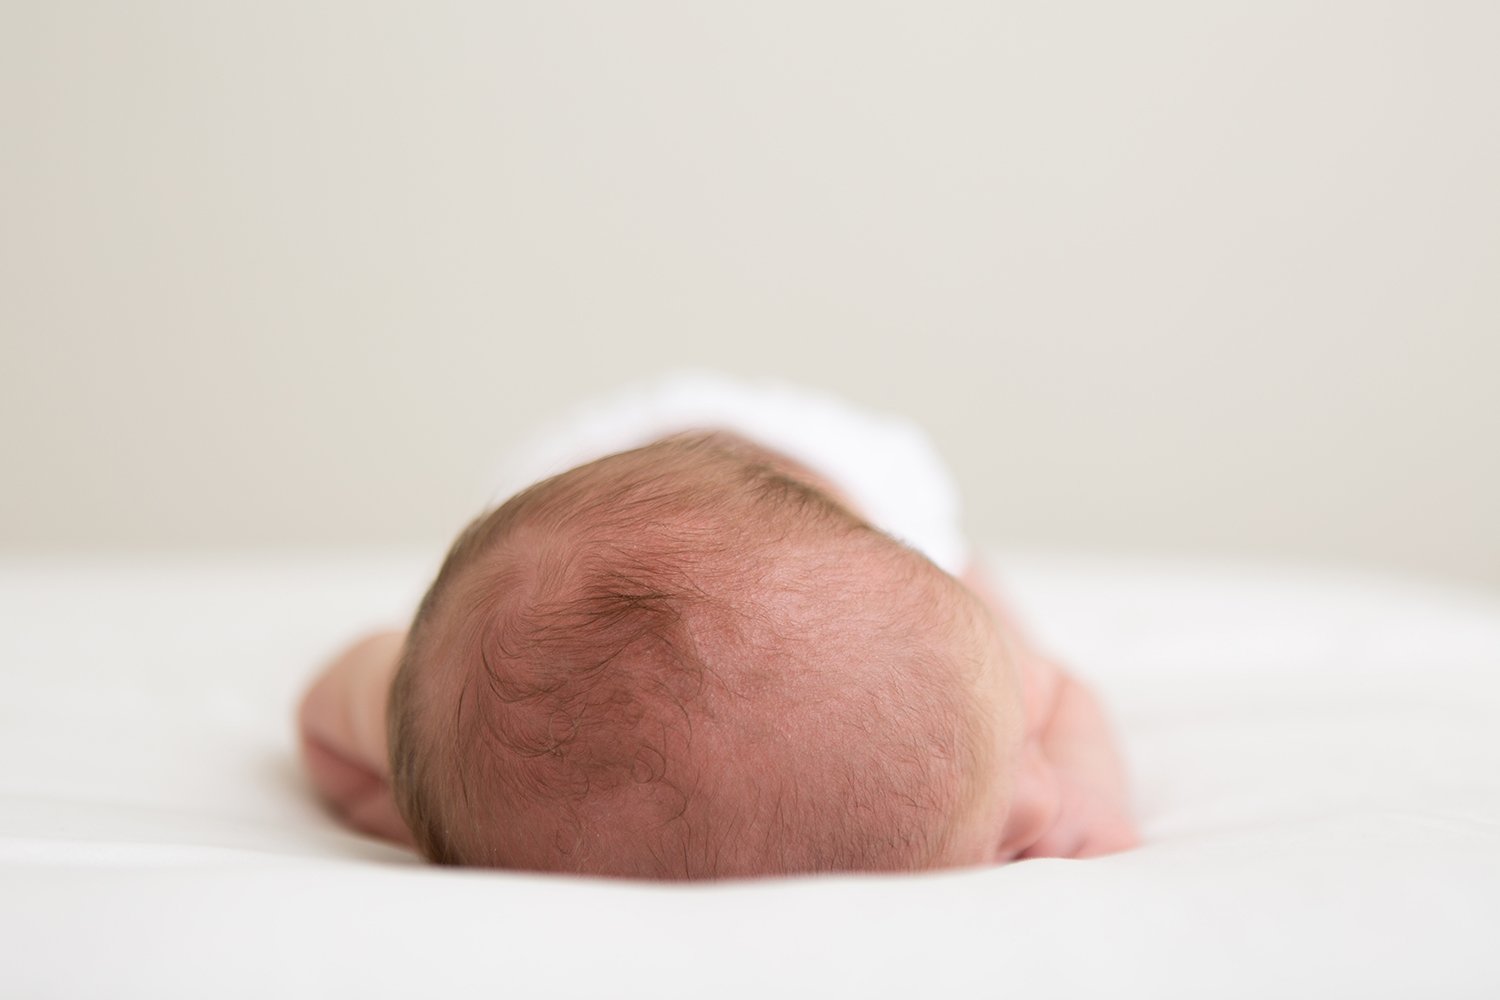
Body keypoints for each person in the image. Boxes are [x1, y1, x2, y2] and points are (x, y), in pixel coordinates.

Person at [297, 374, 1139, 877]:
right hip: (595, 513)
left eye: (1020, 757)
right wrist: (440, 810)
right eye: (997, 831)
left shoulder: (947, 624)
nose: (1038, 805)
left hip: (813, 464)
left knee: (978, 603)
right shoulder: (469, 702)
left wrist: (1083, 786)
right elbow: (334, 729)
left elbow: (1060, 690)